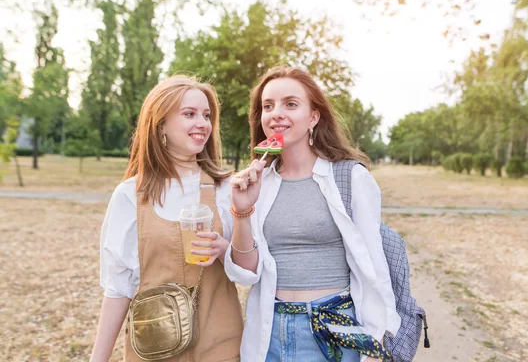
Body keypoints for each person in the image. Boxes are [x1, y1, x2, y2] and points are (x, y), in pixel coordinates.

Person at [224, 67, 400, 362]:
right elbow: (245, 273)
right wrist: (242, 211)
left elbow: (374, 265)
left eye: (290, 104)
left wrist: (377, 341)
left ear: (314, 117)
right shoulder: (258, 183)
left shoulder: (350, 178)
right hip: (270, 332)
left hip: (335, 328)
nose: (276, 113)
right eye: (268, 106)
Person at [90, 76, 243, 362]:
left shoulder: (227, 190)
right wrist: (97, 358)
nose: (202, 123)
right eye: (189, 114)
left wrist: (224, 251)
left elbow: (248, 269)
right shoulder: (129, 196)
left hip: (220, 346)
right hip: (153, 349)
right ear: (160, 124)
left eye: (206, 115)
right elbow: (118, 288)